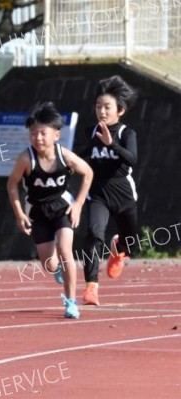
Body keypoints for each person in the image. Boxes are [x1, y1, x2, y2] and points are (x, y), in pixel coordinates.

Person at [7, 102, 93, 319]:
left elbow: (88, 173)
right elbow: (11, 185)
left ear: (56, 134)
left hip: (62, 207)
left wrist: (79, 204)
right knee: (48, 263)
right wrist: (19, 214)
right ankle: (56, 271)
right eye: (33, 133)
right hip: (37, 211)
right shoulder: (26, 159)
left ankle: (71, 302)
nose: (38, 138)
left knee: (66, 250)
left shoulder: (65, 156)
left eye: (42, 133)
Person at [81, 76, 139, 306]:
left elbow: (133, 159)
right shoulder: (90, 131)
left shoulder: (127, 133)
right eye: (98, 106)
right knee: (94, 234)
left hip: (124, 193)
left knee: (132, 244)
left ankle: (119, 249)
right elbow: (80, 156)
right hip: (98, 193)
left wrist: (111, 144)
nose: (102, 111)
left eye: (107, 107)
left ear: (120, 110)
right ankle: (91, 286)